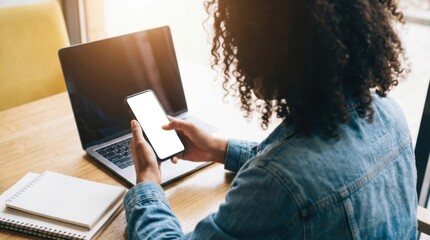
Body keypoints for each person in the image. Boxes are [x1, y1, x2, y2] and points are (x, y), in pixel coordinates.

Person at [124, 0, 417, 239]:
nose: (237, 54)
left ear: (278, 49)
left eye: (245, 39)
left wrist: (147, 183)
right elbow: (313, 166)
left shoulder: (278, 183)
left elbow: (288, 178)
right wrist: (218, 149)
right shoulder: (388, 113)